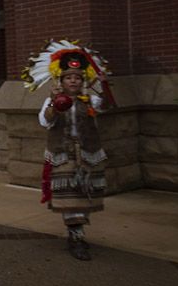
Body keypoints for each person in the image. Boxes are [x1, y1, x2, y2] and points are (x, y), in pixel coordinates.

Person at [23, 40, 113, 261]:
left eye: (77, 77)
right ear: (61, 80)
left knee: (84, 195)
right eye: (69, 77)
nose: (73, 81)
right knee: (70, 197)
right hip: (63, 155)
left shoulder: (89, 100)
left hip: (87, 154)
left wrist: (104, 85)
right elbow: (45, 122)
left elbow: (107, 105)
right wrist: (56, 104)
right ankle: (76, 237)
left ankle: (78, 232)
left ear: (83, 81)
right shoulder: (51, 101)